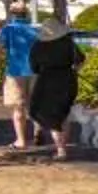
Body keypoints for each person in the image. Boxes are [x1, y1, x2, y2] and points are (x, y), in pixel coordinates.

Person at [27, 27, 79, 161]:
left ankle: (54, 143)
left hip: (46, 80)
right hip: (68, 79)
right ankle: (62, 149)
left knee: (47, 112)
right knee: (64, 114)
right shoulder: (69, 43)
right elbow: (80, 60)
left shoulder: (38, 45)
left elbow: (34, 67)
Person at [0, 5, 39, 147]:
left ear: (12, 14)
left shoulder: (8, 30)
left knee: (18, 106)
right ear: (26, 14)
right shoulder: (35, 30)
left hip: (15, 72)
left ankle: (21, 140)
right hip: (35, 71)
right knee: (34, 104)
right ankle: (37, 131)